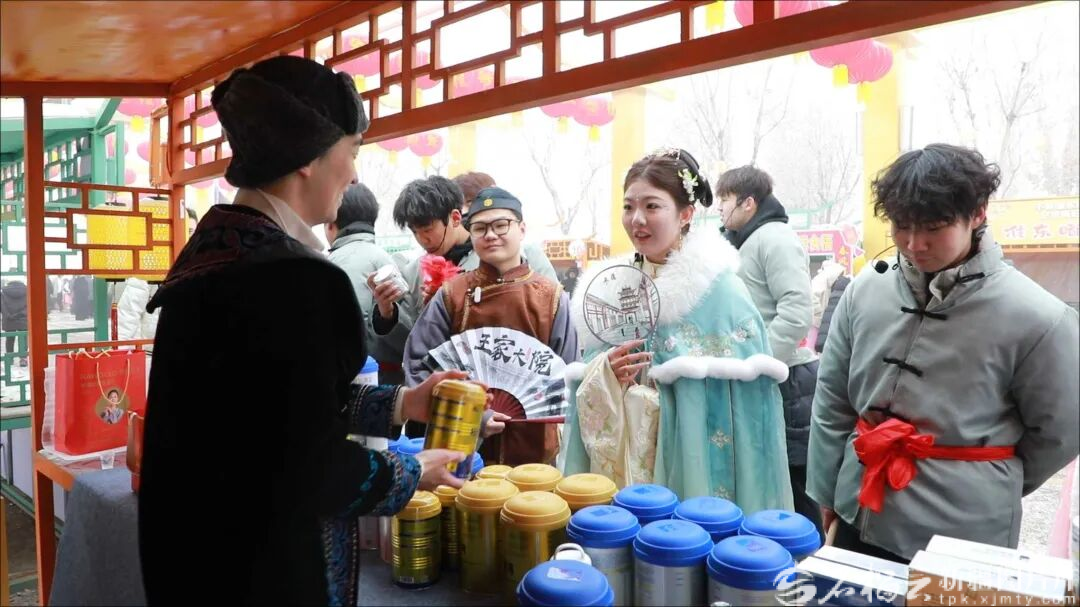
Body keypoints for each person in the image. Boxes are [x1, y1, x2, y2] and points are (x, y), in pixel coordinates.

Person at [138, 55, 490, 605]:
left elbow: (273, 411)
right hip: (264, 569)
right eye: (353, 151)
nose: (354, 174)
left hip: (193, 558)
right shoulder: (295, 278)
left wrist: (404, 403)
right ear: (308, 159)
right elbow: (307, 465)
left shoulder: (211, 253)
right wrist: (411, 470)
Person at [808, 143, 1080, 562]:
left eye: (933, 227)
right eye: (902, 226)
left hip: (965, 532)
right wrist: (827, 492)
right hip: (858, 506)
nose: (914, 243)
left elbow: (1061, 432)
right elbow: (832, 398)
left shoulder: (1040, 318)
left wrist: (986, 476)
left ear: (978, 214)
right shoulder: (865, 290)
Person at [561, 148, 793, 511]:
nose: (637, 219)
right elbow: (589, 373)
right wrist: (605, 370)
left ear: (686, 214)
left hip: (691, 458)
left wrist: (679, 390)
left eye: (652, 206)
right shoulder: (610, 289)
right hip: (625, 459)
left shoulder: (722, 290)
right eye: (628, 206)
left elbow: (747, 408)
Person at [403, 186, 578, 466]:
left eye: (501, 225)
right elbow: (419, 365)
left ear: (522, 229)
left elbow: (568, 375)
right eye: (480, 228)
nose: (491, 234)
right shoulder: (452, 294)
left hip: (534, 450)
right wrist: (472, 411)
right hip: (461, 444)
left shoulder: (551, 297)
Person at [369, 176, 558, 432]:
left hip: (515, 401)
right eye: (415, 232)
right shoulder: (413, 271)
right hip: (444, 405)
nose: (422, 239)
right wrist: (387, 313)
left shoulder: (519, 258)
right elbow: (414, 348)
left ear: (456, 218)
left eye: (428, 229)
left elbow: (550, 329)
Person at [716, 165, 822, 537]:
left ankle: (808, 561)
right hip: (763, 375)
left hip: (785, 380)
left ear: (748, 203)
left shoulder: (774, 237)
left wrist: (761, 365)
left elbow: (796, 312)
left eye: (725, 200)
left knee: (794, 488)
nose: (720, 209)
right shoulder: (746, 240)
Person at [325, 183, 405, 384]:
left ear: (331, 223)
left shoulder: (336, 263)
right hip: (393, 380)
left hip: (360, 382)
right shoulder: (388, 258)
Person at [0, 279, 28, 366]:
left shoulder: (3, 292)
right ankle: (23, 359)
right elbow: (29, 305)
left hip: (9, 320)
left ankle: (10, 359)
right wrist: (21, 314)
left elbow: (2, 306)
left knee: (9, 339)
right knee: (23, 339)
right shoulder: (27, 290)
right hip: (23, 319)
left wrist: (8, 315)